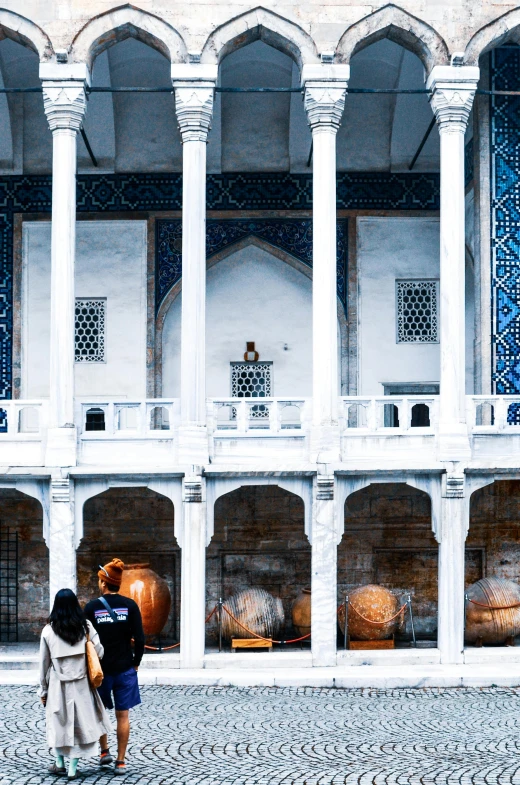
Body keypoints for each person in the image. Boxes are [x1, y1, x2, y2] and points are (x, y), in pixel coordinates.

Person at [39, 589, 111, 781]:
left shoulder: (48, 631)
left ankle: (59, 763)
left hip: (57, 684)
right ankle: (72, 767)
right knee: (79, 725)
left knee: (59, 722)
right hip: (82, 685)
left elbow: (43, 664)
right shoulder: (85, 627)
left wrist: (43, 689)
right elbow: (100, 652)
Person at [85, 558, 145, 777]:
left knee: (100, 713)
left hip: (100, 671)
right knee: (123, 715)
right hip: (124, 667)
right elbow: (140, 638)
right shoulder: (130, 606)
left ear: (103, 583)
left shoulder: (91, 607)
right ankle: (120, 761)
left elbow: (85, 640)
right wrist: (136, 663)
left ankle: (104, 752)